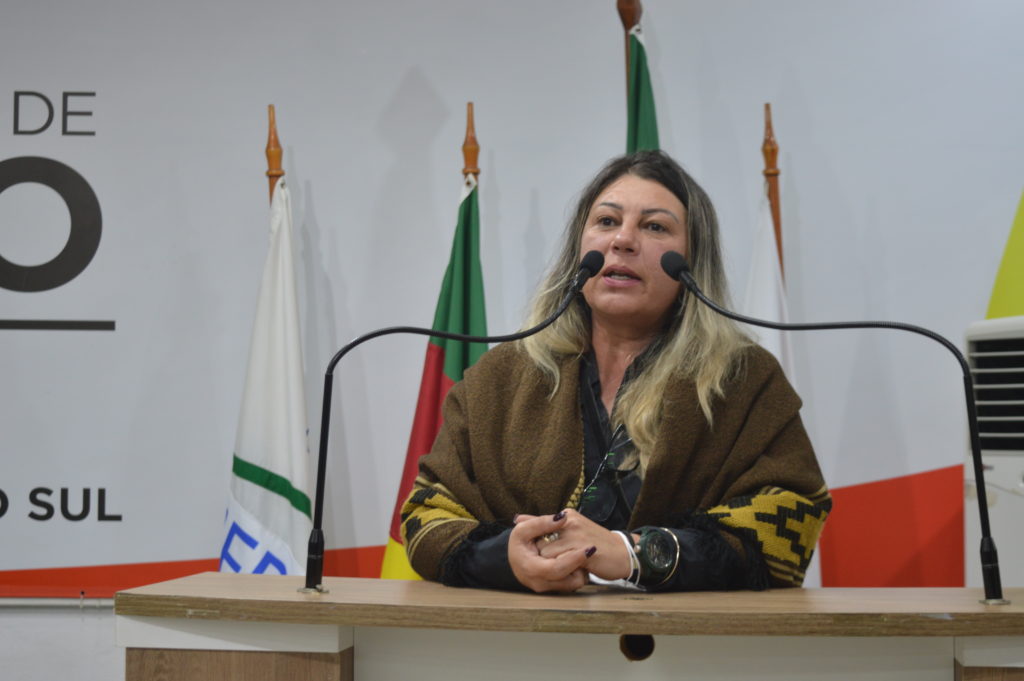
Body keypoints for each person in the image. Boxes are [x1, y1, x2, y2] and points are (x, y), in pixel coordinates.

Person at [400, 150, 830, 593]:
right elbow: (424, 514)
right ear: (579, 249)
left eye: (655, 226)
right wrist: (504, 557)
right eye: (606, 221)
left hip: (690, 635)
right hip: (523, 634)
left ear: (691, 260)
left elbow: (793, 522)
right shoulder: (501, 376)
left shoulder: (743, 378)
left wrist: (634, 554)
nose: (623, 240)